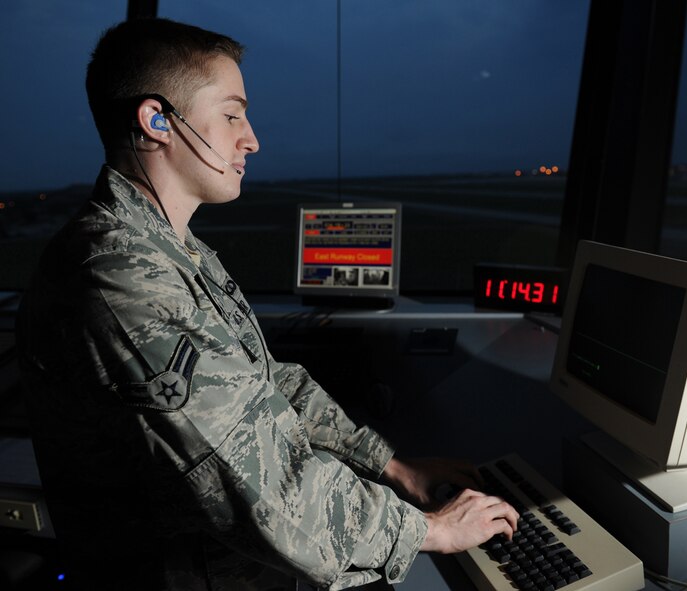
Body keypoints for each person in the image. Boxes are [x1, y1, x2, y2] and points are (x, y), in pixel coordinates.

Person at [15, 17, 518, 590]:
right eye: (232, 114)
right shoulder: (118, 278)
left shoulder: (176, 250)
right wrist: (429, 531)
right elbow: (257, 479)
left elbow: (264, 385)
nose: (251, 138)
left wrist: (394, 467)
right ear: (157, 121)